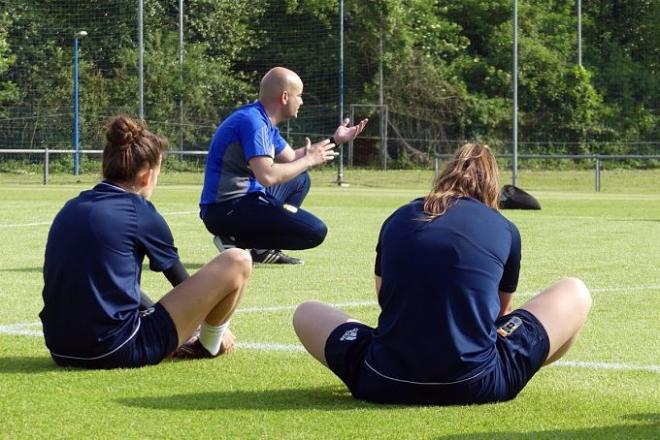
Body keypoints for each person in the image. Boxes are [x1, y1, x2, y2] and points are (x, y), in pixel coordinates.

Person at [293, 143, 592, 405]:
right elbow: (501, 313)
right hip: (477, 382)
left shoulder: (397, 217)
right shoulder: (504, 228)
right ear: (492, 186)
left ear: (445, 174)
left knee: (305, 312)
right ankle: (511, 371)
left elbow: (385, 298)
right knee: (575, 290)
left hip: (383, 378)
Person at [39, 115, 252, 369]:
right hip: (117, 349)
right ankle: (208, 345)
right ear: (146, 176)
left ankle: (200, 340)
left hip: (60, 350)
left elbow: (101, 281)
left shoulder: (71, 207)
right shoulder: (139, 209)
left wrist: (153, 312)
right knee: (238, 260)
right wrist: (212, 326)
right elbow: (182, 281)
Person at [199, 66, 368, 265]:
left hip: (241, 202)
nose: (302, 101)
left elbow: (291, 158)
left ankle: (261, 250)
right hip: (225, 210)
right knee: (315, 231)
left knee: (300, 179)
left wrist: (335, 140)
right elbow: (267, 176)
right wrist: (308, 160)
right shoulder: (254, 123)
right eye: (300, 95)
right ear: (285, 97)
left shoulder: (262, 120)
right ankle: (234, 239)